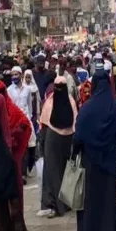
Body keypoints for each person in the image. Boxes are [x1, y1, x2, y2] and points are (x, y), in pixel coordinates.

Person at [74, 68, 116, 231]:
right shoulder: (114, 106)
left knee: (89, 209)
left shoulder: (87, 109)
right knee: (107, 209)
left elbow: (78, 137)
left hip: (90, 166)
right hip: (108, 165)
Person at [38, 76, 77, 218]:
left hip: (53, 139)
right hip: (67, 139)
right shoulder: (71, 101)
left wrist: (42, 144)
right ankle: (64, 203)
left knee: (52, 171)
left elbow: (43, 123)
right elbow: (75, 122)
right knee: (63, 170)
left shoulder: (50, 102)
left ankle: (54, 204)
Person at [0, 80, 32, 201]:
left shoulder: (13, 109)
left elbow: (25, 125)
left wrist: (14, 135)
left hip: (12, 153)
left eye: (1, 92)